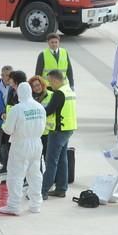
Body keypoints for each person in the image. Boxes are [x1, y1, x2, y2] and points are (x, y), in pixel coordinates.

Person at [0, 82, 45, 215]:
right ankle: (36, 204)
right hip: (36, 143)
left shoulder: (17, 109)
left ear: (19, 93)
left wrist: (4, 122)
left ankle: (13, 205)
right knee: (35, 174)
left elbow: (8, 129)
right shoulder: (40, 107)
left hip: (21, 144)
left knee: (15, 175)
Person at [41, 70, 77, 200]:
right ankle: (61, 189)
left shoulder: (59, 94)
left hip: (58, 131)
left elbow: (49, 110)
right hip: (68, 129)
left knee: (51, 161)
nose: (50, 84)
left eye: (50, 81)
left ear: (56, 80)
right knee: (62, 160)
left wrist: (37, 110)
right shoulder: (69, 91)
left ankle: (43, 191)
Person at [29, 75, 53, 163]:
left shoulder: (51, 95)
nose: (37, 88)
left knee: (48, 159)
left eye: (38, 85)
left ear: (42, 84)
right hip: (36, 134)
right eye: (34, 86)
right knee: (36, 160)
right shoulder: (30, 99)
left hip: (48, 133)